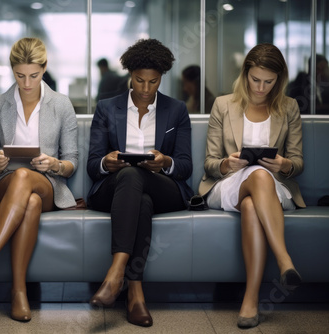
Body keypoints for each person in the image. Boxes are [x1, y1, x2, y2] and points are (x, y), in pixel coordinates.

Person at [0, 37, 78, 322]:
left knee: (29, 184)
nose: (27, 83)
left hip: (48, 184)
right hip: (4, 185)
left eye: (33, 75)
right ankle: (18, 291)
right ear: (12, 70)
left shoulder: (61, 104)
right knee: (27, 197)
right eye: (20, 75)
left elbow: (72, 162)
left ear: (44, 69)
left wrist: (55, 163)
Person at [87, 38, 193, 327]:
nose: (145, 89)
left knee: (140, 181)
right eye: (139, 81)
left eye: (153, 82)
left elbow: (185, 167)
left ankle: (115, 273)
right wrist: (106, 163)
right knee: (135, 186)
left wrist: (165, 162)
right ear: (129, 76)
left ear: (162, 78)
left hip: (164, 189)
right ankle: (135, 293)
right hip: (116, 189)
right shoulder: (107, 109)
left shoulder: (176, 110)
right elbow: (92, 166)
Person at [198, 43, 305, 329]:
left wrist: (283, 164)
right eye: (255, 79)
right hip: (229, 182)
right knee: (256, 176)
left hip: (272, 186)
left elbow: (297, 162)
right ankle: (284, 261)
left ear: (279, 79)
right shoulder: (223, 104)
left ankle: (250, 301)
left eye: (268, 82)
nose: (260, 87)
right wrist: (226, 164)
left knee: (252, 201)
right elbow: (209, 162)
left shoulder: (289, 107)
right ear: (245, 74)